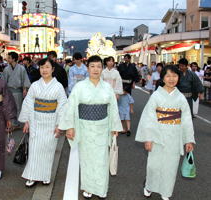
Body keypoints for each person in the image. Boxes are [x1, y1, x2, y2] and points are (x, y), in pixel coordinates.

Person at [58, 55, 122, 199]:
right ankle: (88, 187)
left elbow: (113, 109)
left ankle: (101, 188)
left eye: (99, 66)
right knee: (86, 159)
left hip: (102, 127)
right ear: (88, 68)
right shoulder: (80, 87)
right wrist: (70, 127)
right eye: (92, 66)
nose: (95, 69)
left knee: (102, 159)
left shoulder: (107, 87)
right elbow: (71, 107)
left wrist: (114, 127)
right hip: (84, 127)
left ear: (102, 69)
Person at [135, 65, 195, 200]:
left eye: (174, 75)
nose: (171, 79)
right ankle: (149, 186)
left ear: (178, 78)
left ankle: (166, 191)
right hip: (157, 134)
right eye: (168, 76)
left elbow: (186, 119)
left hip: (175, 135)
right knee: (154, 165)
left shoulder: (180, 98)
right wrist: (148, 138)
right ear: (163, 78)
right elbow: (149, 118)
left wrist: (188, 140)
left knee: (170, 166)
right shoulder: (156, 96)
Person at [18, 58, 67, 187]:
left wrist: (59, 125)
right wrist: (27, 121)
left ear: (52, 69)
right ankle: (32, 176)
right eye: (41, 67)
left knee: (48, 150)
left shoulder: (58, 86)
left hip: (51, 122)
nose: (44, 70)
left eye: (46, 67)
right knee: (34, 150)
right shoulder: (35, 85)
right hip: (36, 121)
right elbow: (28, 103)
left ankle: (45, 175)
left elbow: (62, 106)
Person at [2, 52, 31, 130]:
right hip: (9, 90)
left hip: (18, 91)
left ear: (14, 59)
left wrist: (25, 89)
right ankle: (10, 123)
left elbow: (25, 79)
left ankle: (16, 124)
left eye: (9, 58)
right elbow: (3, 81)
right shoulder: (6, 69)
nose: (8, 59)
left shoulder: (21, 68)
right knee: (9, 108)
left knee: (18, 107)